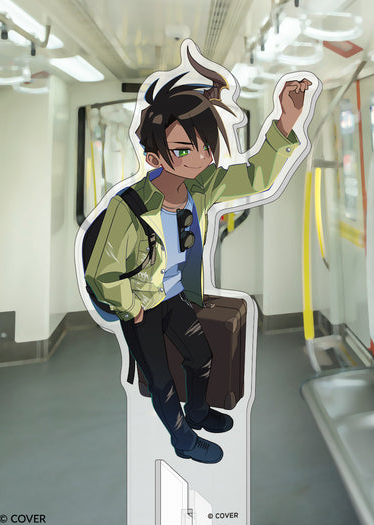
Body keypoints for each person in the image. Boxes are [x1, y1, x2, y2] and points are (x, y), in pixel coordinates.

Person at [85, 49, 312, 464]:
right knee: (160, 380)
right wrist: (132, 308)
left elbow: (257, 176)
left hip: (175, 297)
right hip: (141, 306)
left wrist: (285, 122)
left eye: (205, 144)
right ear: (154, 158)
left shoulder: (201, 187)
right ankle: (183, 441)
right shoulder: (129, 206)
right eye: (184, 149)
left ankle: (199, 412)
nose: (202, 155)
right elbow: (102, 273)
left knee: (200, 357)